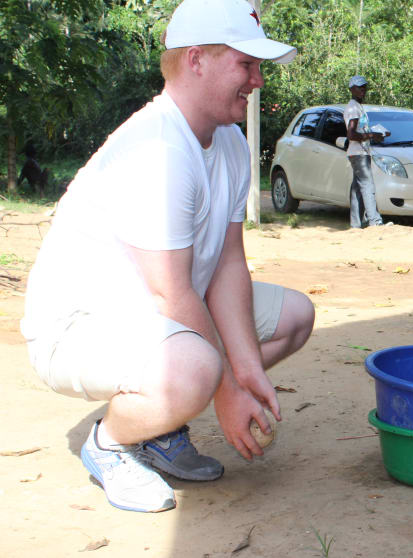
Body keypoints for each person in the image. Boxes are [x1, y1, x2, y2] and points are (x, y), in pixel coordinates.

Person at [19, 0, 315, 514]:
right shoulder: (158, 149)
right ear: (196, 59)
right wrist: (223, 392)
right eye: (246, 65)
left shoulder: (228, 143)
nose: (258, 81)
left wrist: (248, 374)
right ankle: (112, 442)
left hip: (154, 318)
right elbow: (171, 293)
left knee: (294, 318)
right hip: (76, 330)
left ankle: (162, 422)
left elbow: (226, 266)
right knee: (199, 367)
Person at [345, 75, 389, 228]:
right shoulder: (353, 108)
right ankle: (374, 221)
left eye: (364, 87)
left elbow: (359, 130)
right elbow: (351, 134)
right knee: (367, 185)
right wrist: (371, 135)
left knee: (357, 188)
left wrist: (377, 135)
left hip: (361, 152)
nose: (362, 90)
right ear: (351, 89)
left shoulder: (358, 106)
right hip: (358, 153)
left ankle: (356, 224)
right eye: (359, 87)